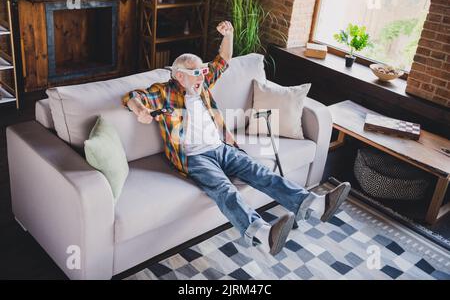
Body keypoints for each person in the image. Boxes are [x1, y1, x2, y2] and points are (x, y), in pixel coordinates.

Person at [122, 21, 351, 256]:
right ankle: (263, 234)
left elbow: (223, 59)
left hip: (222, 148)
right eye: (196, 73)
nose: (203, 75)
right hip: (194, 157)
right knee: (225, 190)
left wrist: (228, 35)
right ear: (179, 75)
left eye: (203, 71)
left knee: (261, 172)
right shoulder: (165, 91)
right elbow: (132, 96)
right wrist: (140, 110)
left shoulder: (201, 84)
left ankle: (315, 203)